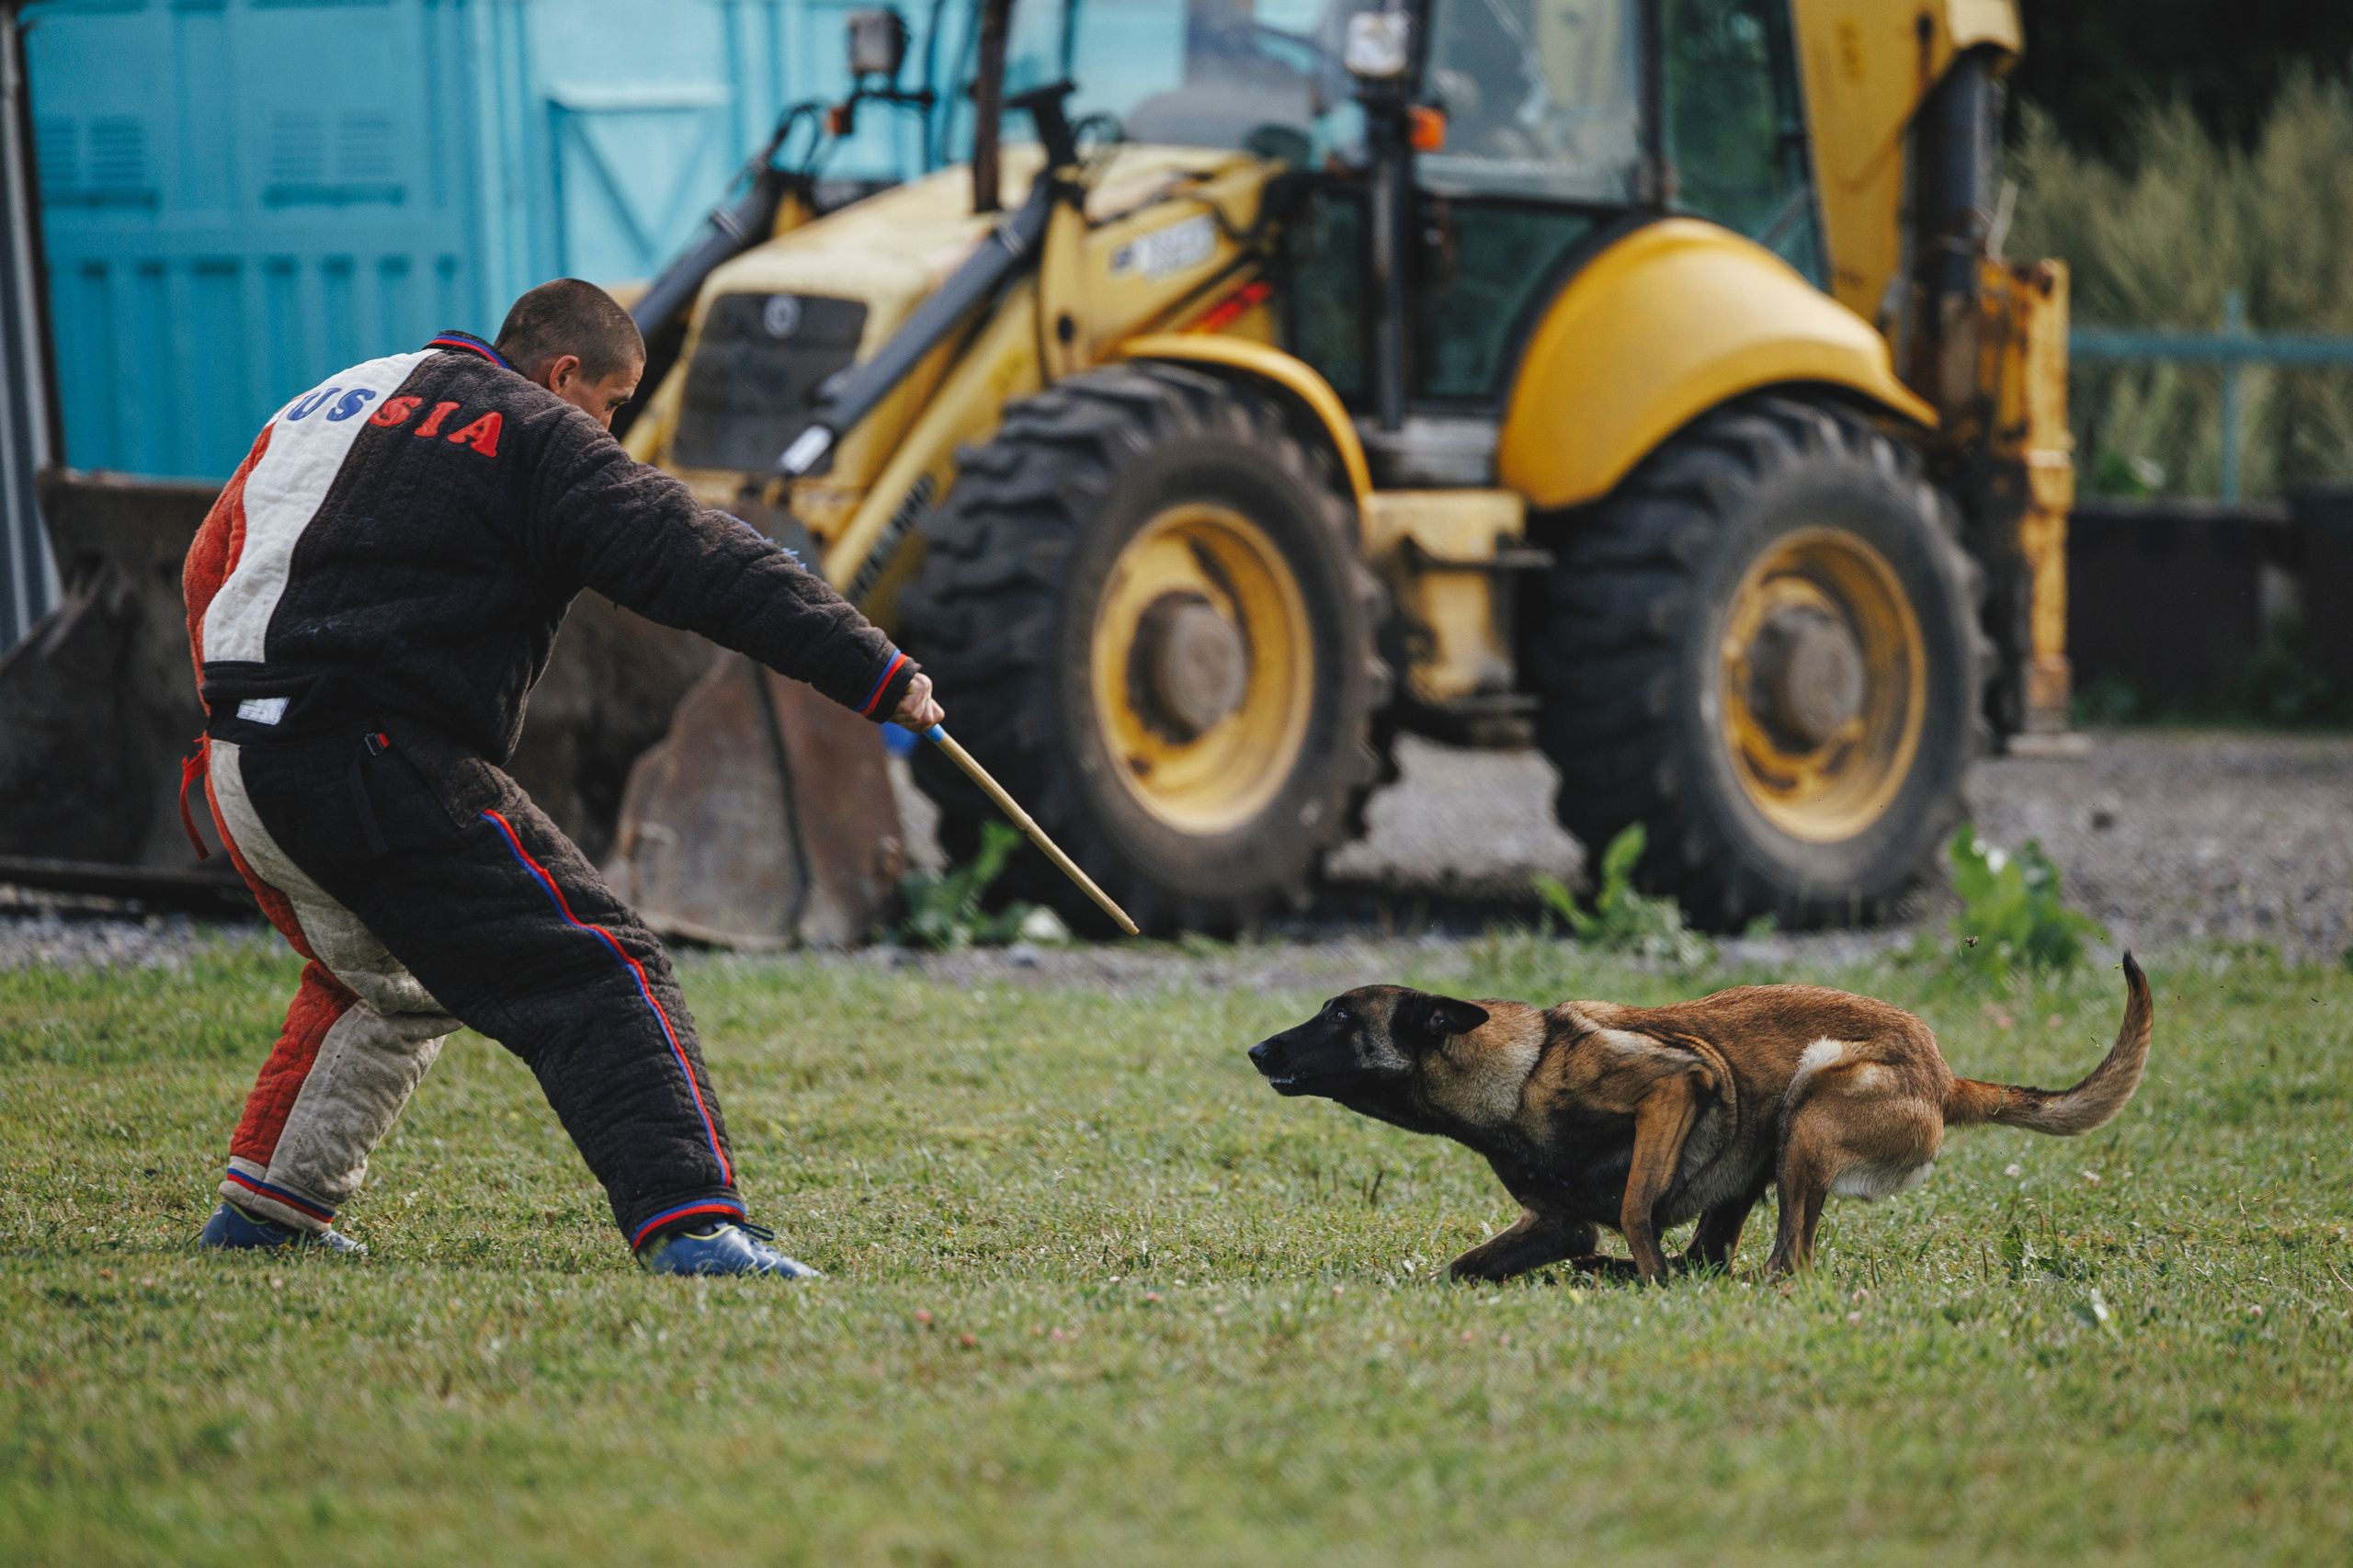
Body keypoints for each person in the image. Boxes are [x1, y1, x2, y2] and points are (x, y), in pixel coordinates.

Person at [183, 278, 942, 1277]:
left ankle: (264, 1212)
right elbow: (701, 558)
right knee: (597, 959)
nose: (610, 428)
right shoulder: (537, 429)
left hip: (240, 762)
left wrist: (236, 722)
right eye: (615, 405)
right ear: (564, 374)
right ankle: (692, 1226)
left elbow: (207, 564)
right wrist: (876, 673)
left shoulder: (337, 394)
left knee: (381, 976)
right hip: (370, 749)